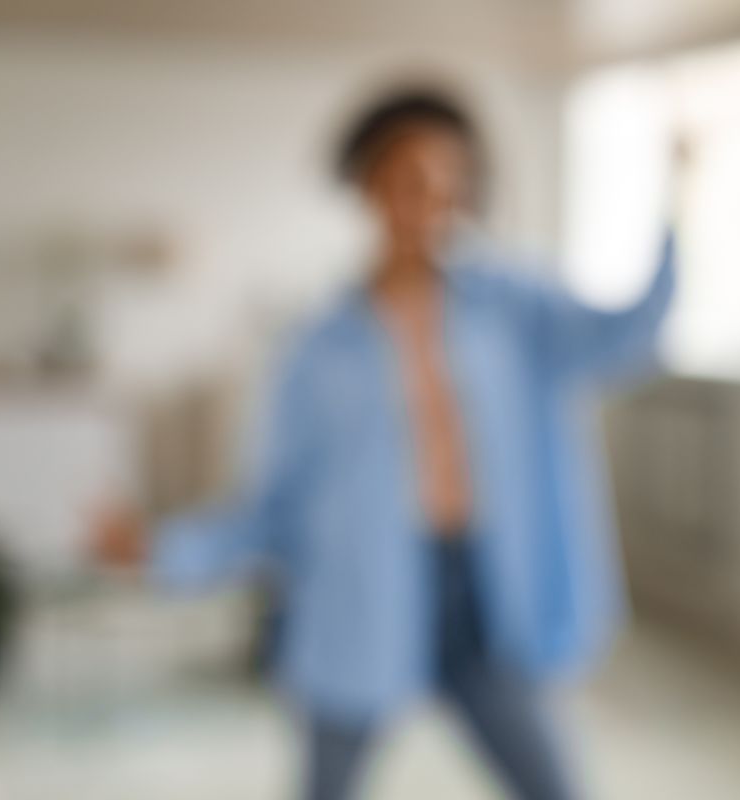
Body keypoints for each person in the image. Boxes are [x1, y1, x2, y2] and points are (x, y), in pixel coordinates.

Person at [94, 88, 675, 800]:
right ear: (369, 187)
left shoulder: (514, 308)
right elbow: (274, 509)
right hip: (360, 601)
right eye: (410, 182)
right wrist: (164, 550)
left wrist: (676, 206)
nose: (430, 205)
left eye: (449, 186)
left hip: (485, 597)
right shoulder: (317, 349)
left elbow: (628, 337)